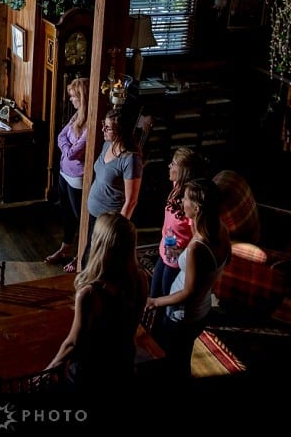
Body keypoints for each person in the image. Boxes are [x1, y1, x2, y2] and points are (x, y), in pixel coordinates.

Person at [45, 211, 148, 391]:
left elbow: (73, 343)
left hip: (92, 372)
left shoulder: (90, 294)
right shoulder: (140, 278)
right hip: (123, 362)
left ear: (99, 244)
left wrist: (49, 368)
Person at [145, 177, 231, 379]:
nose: (182, 201)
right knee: (182, 357)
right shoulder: (221, 230)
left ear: (197, 208)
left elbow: (188, 293)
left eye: (185, 199)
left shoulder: (197, 248)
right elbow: (226, 261)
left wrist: (155, 301)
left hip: (182, 316)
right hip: (202, 309)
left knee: (171, 362)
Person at [82, 107, 143, 268]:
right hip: (95, 215)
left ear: (120, 131)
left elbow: (131, 200)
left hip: (109, 222)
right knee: (88, 258)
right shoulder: (107, 144)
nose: (103, 129)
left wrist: (116, 228)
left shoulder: (131, 159)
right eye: (104, 124)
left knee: (97, 264)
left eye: (108, 127)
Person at [44, 77, 90, 272]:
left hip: (77, 178)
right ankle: (65, 249)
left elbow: (73, 153)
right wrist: (67, 147)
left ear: (83, 97)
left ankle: (82, 257)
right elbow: (61, 136)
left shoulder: (90, 123)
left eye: (74, 96)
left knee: (81, 219)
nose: (71, 100)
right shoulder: (77, 115)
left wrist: (67, 148)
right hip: (64, 172)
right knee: (67, 215)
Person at [149, 147, 207, 299]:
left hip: (176, 259)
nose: (169, 166)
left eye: (173, 163)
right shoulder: (176, 186)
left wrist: (185, 254)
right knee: (154, 293)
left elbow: (198, 236)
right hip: (164, 250)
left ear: (183, 171)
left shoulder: (189, 203)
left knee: (166, 297)